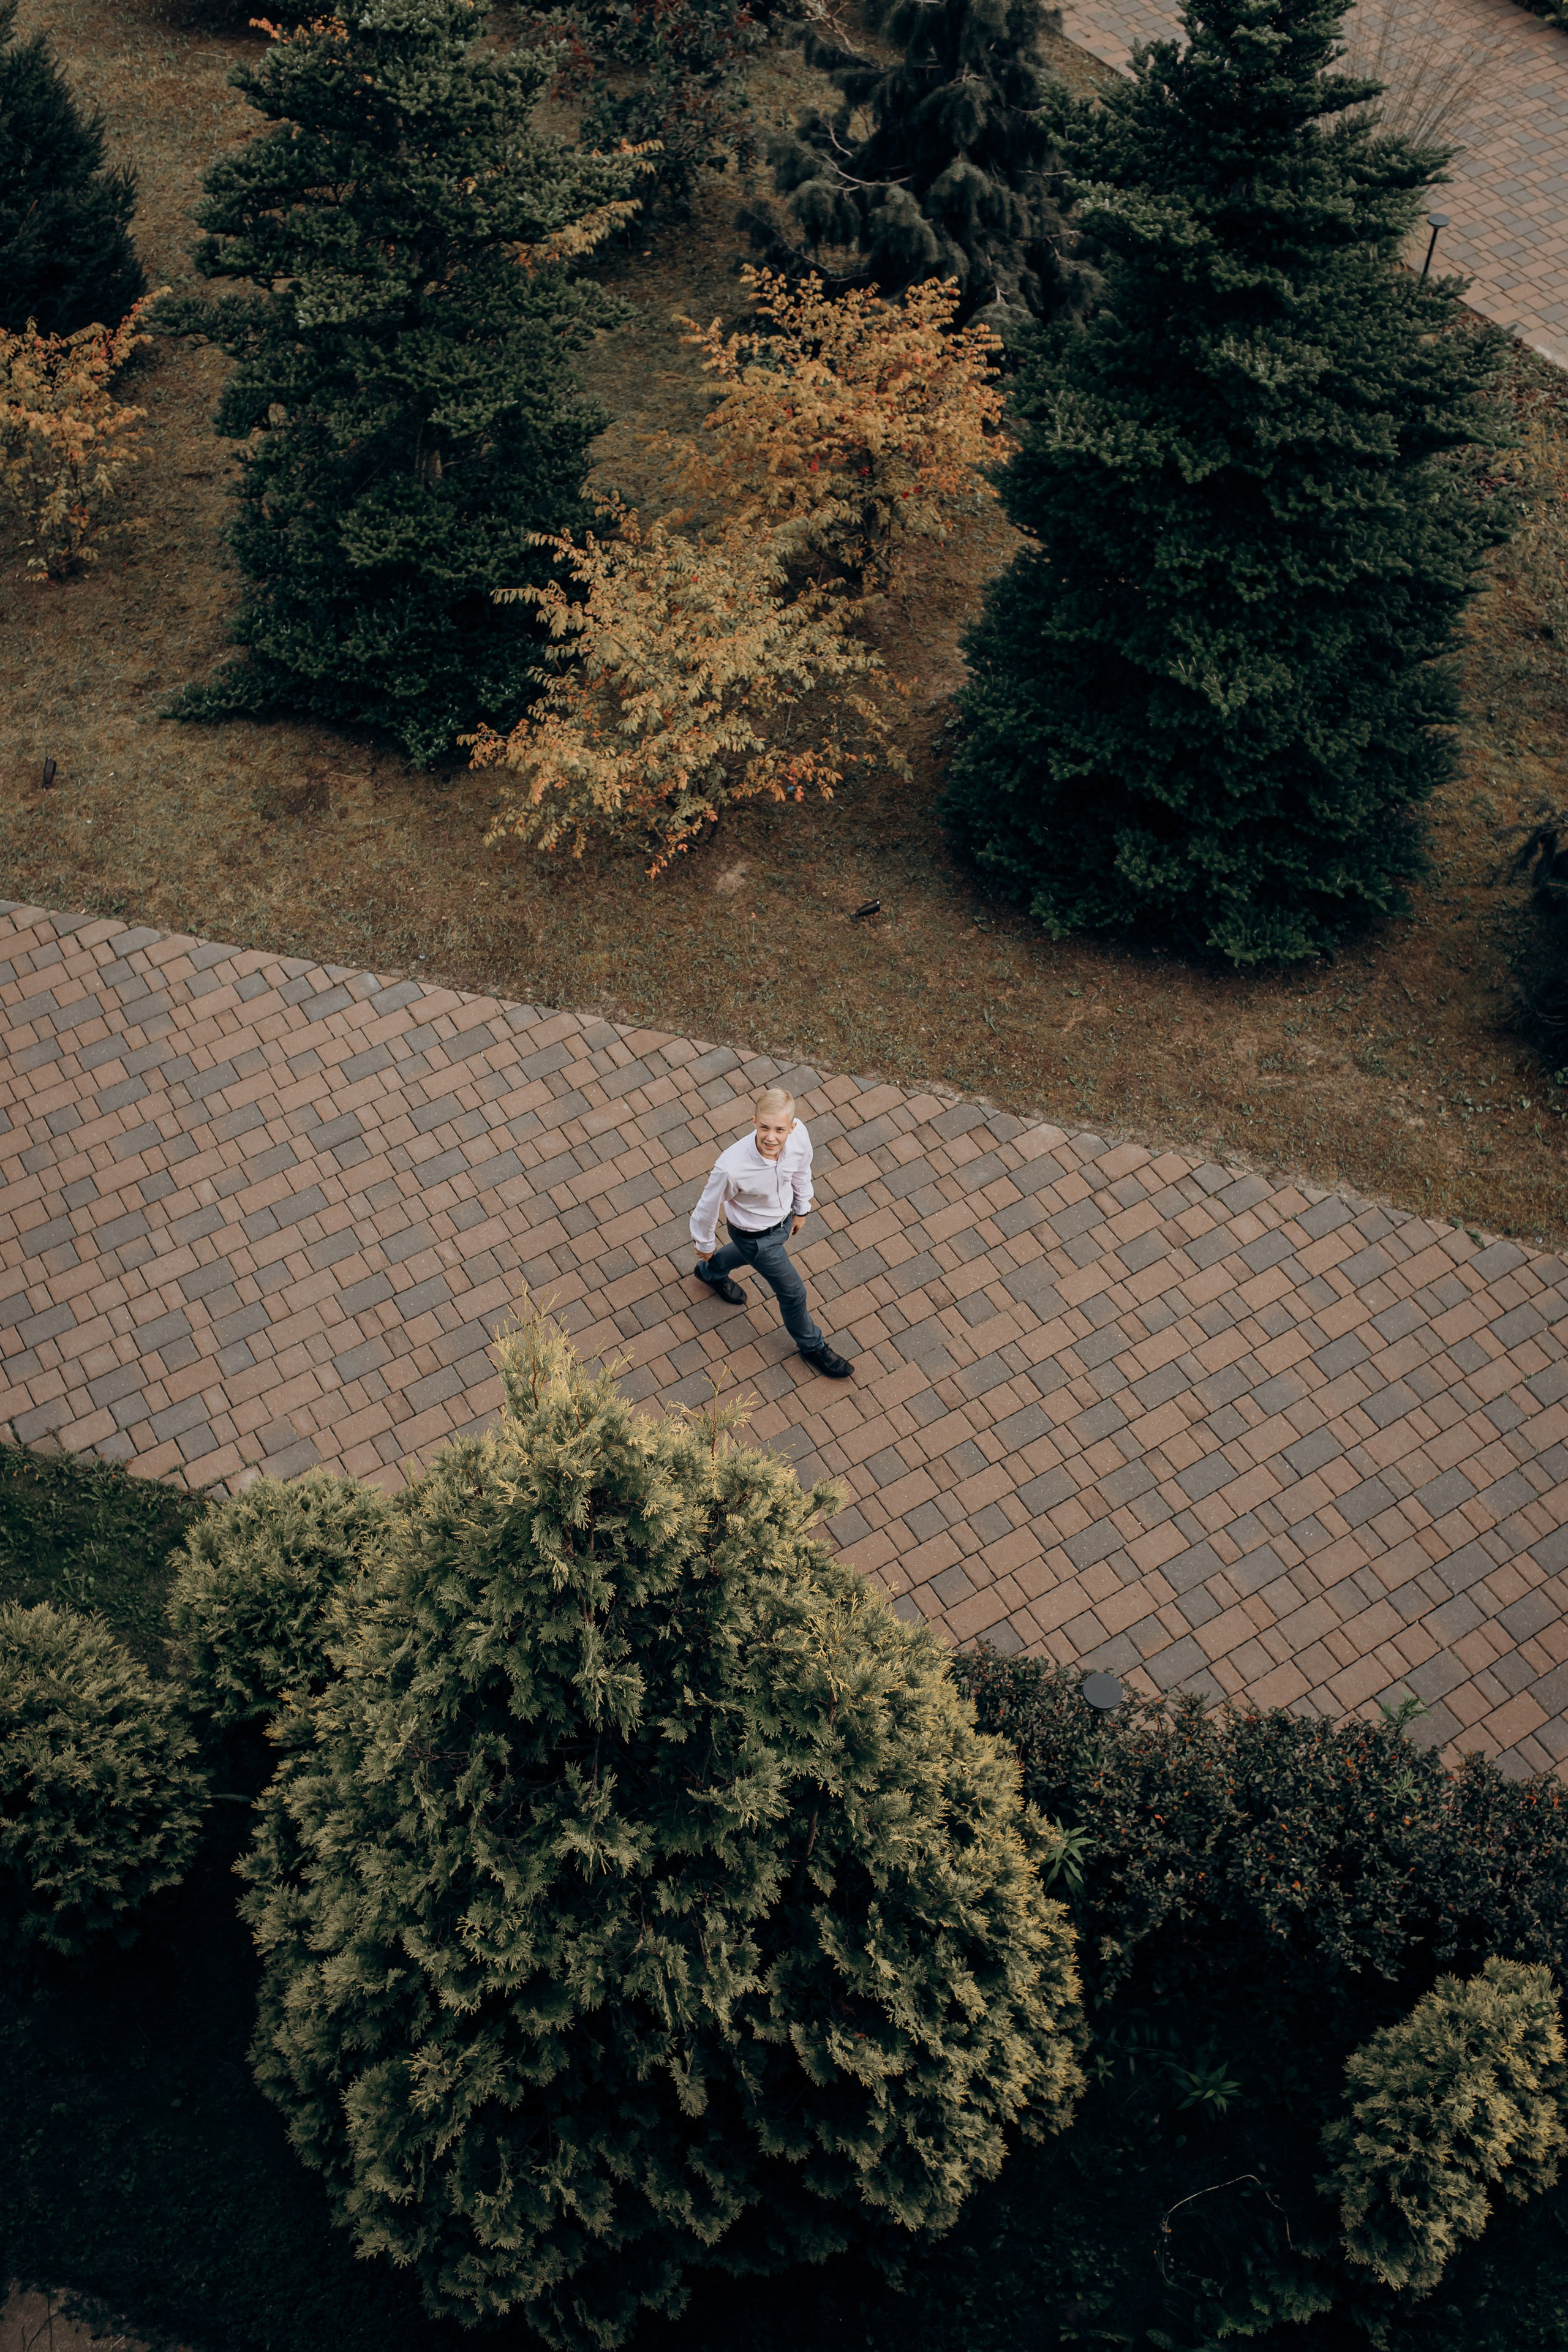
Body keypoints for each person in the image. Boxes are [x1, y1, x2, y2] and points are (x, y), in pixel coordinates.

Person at [690, 1087, 852, 1378]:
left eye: (780, 1130)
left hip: (783, 1221)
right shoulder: (731, 1168)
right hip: (755, 1238)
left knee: (745, 1254)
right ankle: (812, 1346)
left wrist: (801, 1209)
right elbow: (707, 1206)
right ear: (754, 1121)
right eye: (764, 1127)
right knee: (793, 1293)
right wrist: (705, 1243)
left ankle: (710, 1272)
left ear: (792, 1127)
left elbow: (802, 1170)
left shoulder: (799, 1137)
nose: (771, 1137)